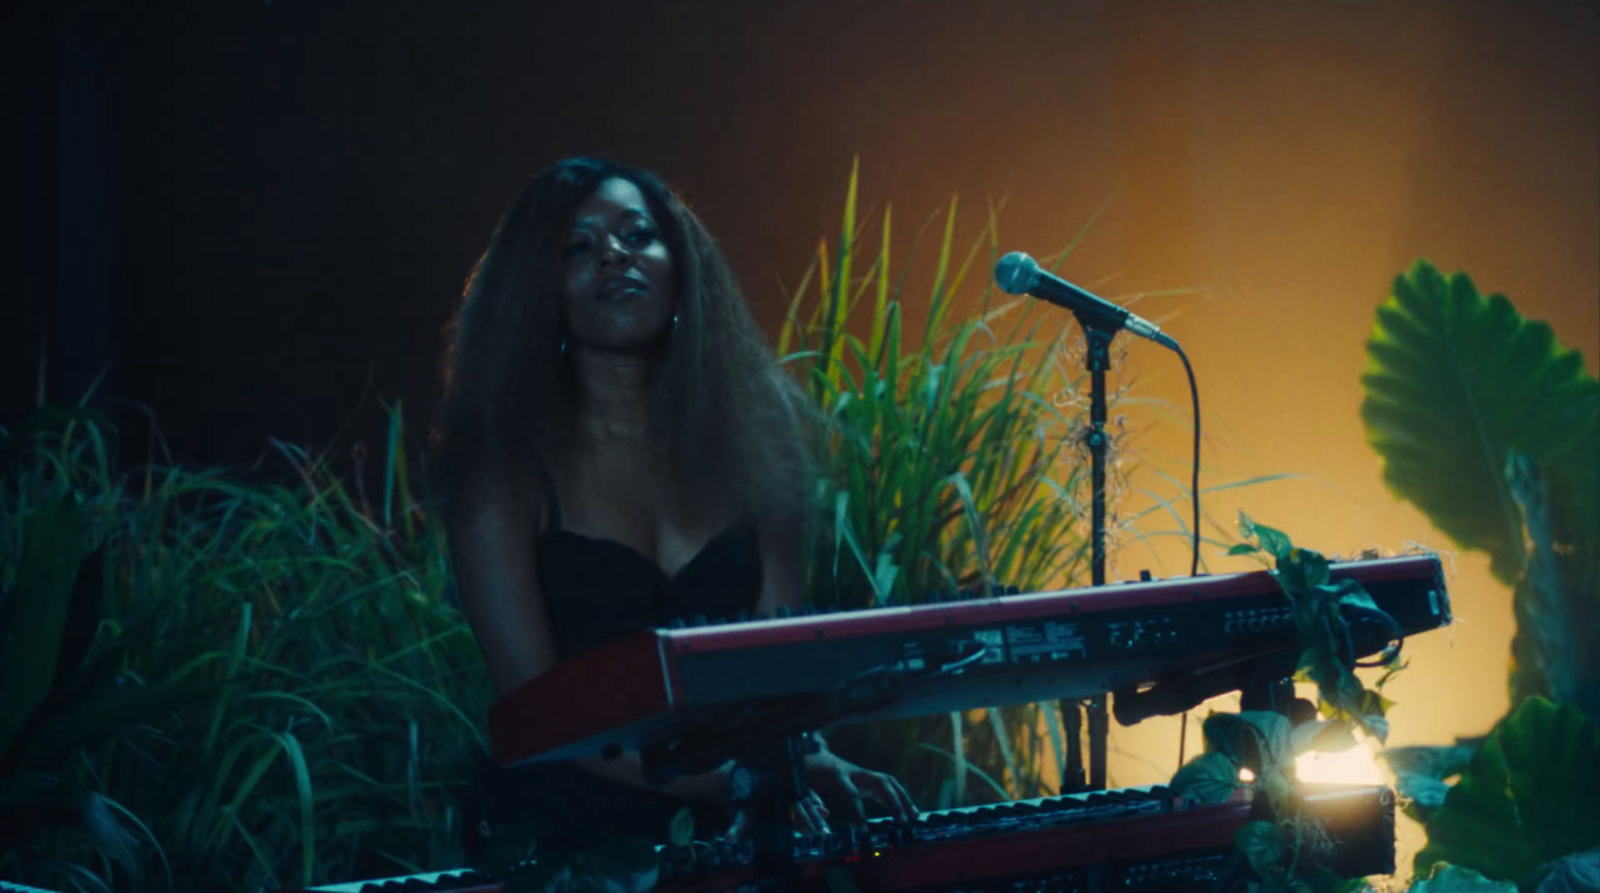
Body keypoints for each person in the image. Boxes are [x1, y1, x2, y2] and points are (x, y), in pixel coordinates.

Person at [430, 156, 918, 856]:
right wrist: (731, 781)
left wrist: (812, 760)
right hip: (575, 842)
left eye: (637, 235)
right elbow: (537, 716)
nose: (615, 255)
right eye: (579, 246)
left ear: (680, 266)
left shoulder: (761, 443)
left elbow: (782, 670)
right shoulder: (500, 471)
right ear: (541, 290)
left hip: (749, 823)